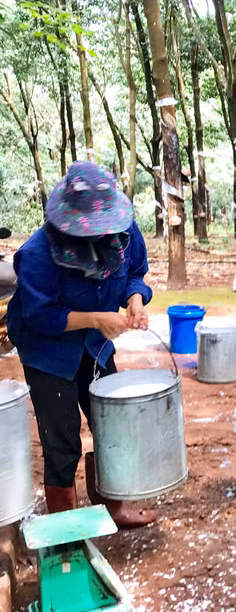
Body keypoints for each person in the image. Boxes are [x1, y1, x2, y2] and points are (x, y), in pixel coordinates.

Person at [8, 162, 155, 527]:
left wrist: (135, 299)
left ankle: (113, 507)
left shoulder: (125, 233)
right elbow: (40, 317)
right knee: (62, 440)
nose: (106, 234)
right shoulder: (38, 254)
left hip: (95, 347)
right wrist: (96, 319)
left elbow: (135, 273)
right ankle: (64, 526)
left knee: (110, 424)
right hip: (48, 353)